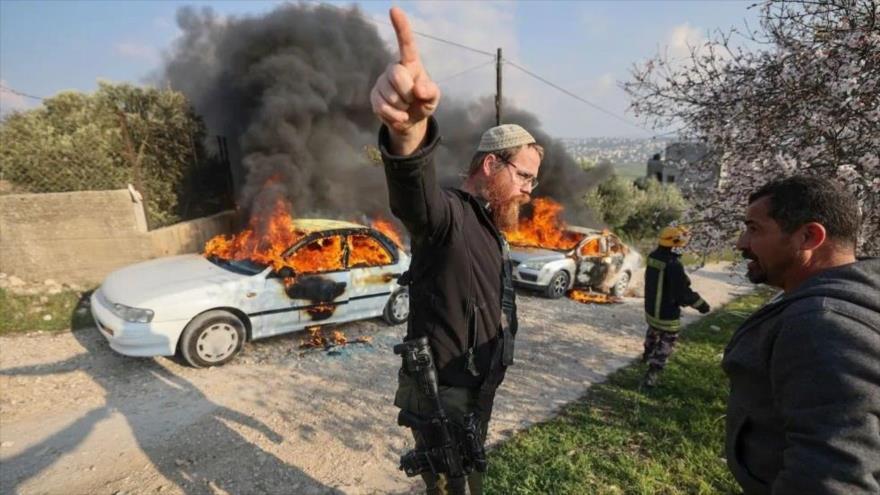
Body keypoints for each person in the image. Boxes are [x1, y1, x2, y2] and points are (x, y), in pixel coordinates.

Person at [370, 7, 543, 494]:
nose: (531, 188)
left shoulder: (489, 224)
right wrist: (407, 135)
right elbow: (416, 198)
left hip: (473, 393)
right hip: (443, 396)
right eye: (525, 175)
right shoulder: (449, 216)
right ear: (492, 165)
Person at [724, 175, 880, 494]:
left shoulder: (823, 324)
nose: (741, 243)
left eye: (754, 229)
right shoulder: (844, 296)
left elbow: (831, 478)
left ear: (808, 236)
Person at [641, 225, 710, 387]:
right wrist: (701, 305)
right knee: (666, 342)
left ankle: (646, 354)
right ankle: (652, 375)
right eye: (680, 245)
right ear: (674, 245)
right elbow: (682, 293)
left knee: (652, 332)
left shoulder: (653, 257)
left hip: (651, 310)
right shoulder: (673, 265)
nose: (682, 248)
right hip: (667, 313)